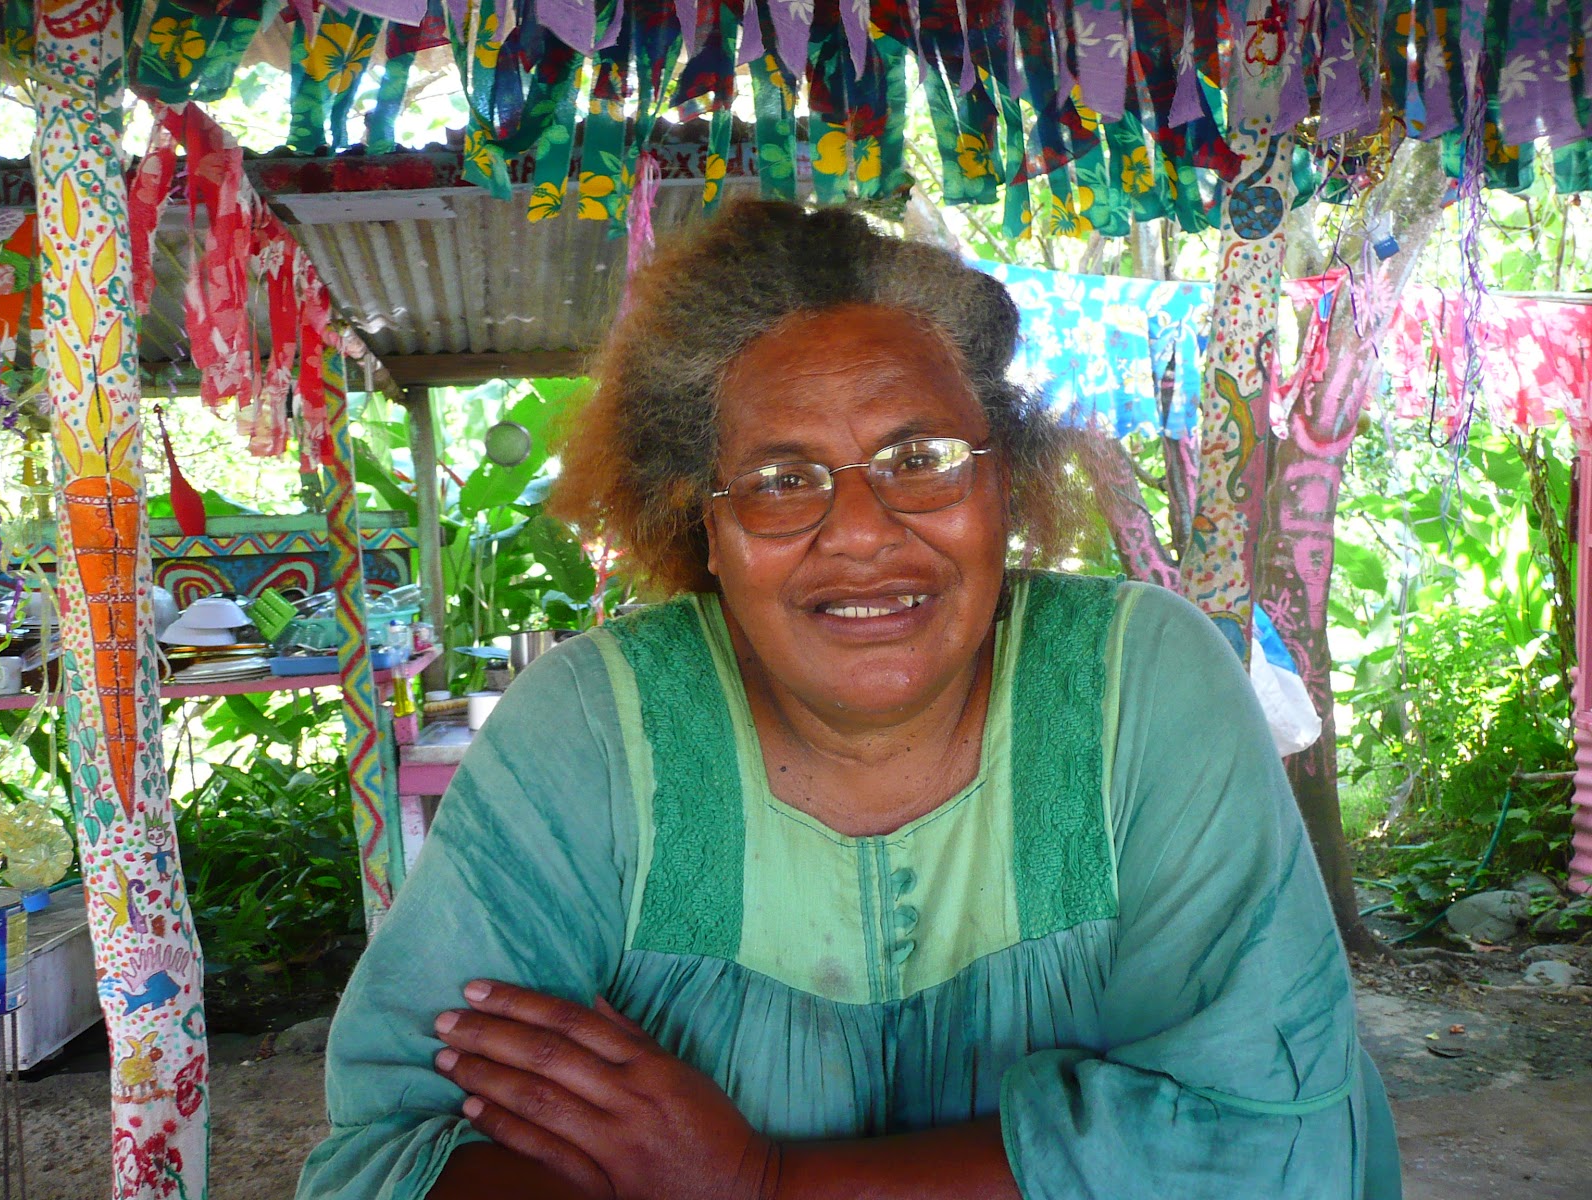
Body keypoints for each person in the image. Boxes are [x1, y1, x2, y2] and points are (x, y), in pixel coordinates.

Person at [296, 201, 1401, 1200]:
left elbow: (1266, 1142)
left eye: (920, 458)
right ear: (705, 528)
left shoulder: (1142, 685)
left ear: (1001, 481)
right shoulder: (590, 728)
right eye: (781, 481)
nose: (864, 533)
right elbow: (394, 1152)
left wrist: (761, 1184)